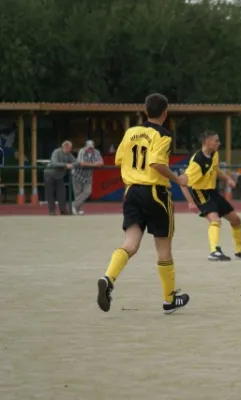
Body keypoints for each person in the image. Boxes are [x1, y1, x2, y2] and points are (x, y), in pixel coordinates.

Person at [96, 93, 190, 314]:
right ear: (165, 113)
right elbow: (157, 163)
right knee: (164, 247)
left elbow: (119, 159)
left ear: (145, 111)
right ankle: (169, 300)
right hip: (155, 193)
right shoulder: (164, 135)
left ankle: (108, 278)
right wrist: (178, 179)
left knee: (130, 243)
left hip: (131, 192)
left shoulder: (130, 132)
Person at [181, 131, 241, 261]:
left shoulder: (214, 154)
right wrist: (190, 202)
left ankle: (240, 251)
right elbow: (182, 182)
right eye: (216, 141)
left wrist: (228, 179)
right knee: (215, 220)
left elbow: (216, 170)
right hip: (200, 192)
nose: (219, 143)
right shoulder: (198, 161)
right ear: (207, 142)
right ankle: (214, 251)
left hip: (212, 192)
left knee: (236, 220)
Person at [44, 141, 77, 215]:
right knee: (50, 193)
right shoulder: (56, 151)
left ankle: (63, 210)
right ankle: (52, 211)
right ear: (63, 147)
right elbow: (54, 163)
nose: (69, 150)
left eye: (70, 148)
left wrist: (72, 164)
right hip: (49, 174)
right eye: (68, 148)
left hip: (59, 176)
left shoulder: (69, 155)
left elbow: (75, 162)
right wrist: (66, 165)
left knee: (62, 193)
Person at [72, 140, 104, 215]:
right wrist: (95, 164)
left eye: (91, 148)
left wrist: (90, 164)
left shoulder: (96, 152)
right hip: (77, 175)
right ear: (85, 146)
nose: (90, 149)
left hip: (88, 176)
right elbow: (82, 163)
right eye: (88, 147)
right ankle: (78, 210)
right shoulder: (82, 151)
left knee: (88, 192)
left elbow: (101, 163)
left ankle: (73, 205)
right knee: (78, 193)